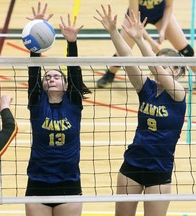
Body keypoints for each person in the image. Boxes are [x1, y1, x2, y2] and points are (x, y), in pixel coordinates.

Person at [94, 5, 186, 216]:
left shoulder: (178, 94)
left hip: (160, 173)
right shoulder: (146, 88)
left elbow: (154, 68)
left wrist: (139, 39)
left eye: (165, 66)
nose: (159, 69)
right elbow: (127, 58)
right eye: (158, 63)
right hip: (131, 168)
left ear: (179, 72)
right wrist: (112, 31)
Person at [25, 2, 91, 216]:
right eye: (48, 77)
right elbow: (33, 72)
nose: (51, 78)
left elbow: (75, 72)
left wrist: (72, 43)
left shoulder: (73, 102)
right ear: (43, 85)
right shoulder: (37, 102)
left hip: (69, 183)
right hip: (37, 183)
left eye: (57, 76)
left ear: (65, 85)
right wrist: (36, 30)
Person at [96, 0, 195, 88]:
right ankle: (110, 73)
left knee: (187, 51)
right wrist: (151, 42)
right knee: (121, 51)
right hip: (136, 18)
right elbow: (135, 22)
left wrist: (163, 30)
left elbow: (169, 7)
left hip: (160, 15)